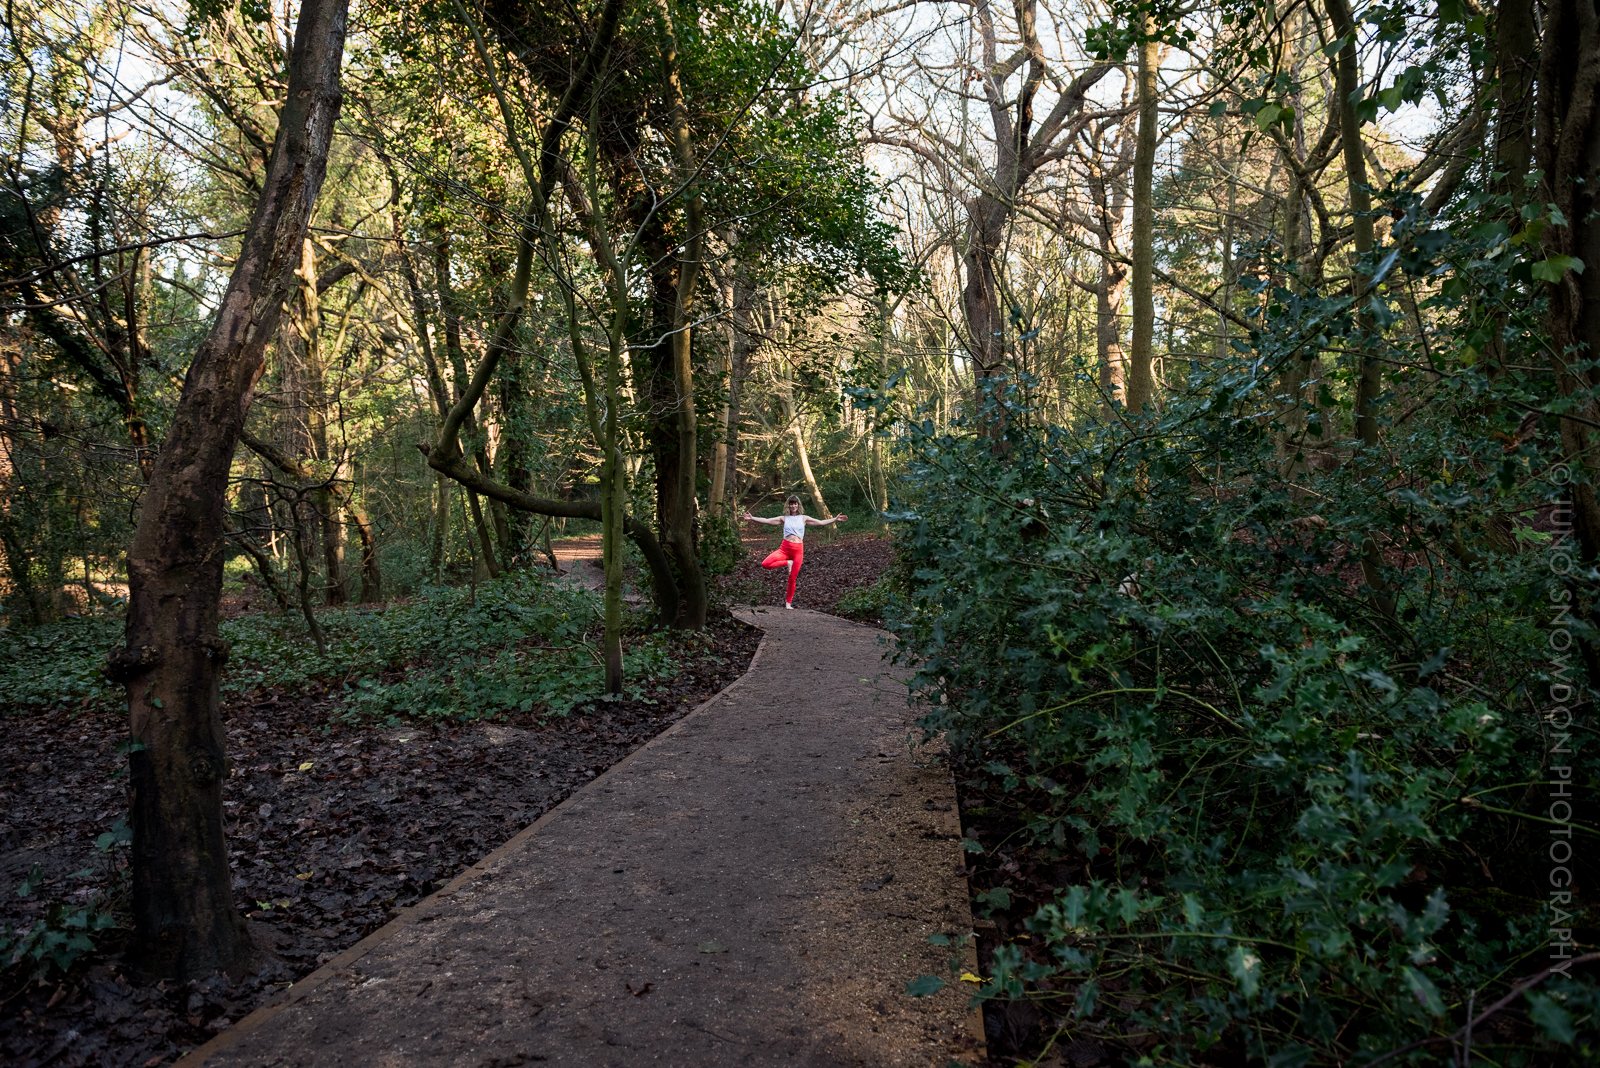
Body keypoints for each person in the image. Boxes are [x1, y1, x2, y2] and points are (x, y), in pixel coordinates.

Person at [743, 495, 847, 609]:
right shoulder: (784, 518)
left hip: (798, 551)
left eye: (795, 503)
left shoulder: (804, 518)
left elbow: (821, 522)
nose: (793, 506)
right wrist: (752, 518)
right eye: (791, 504)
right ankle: (788, 563)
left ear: (798, 505)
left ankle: (788, 603)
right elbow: (767, 520)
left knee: (792, 578)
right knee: (765, 564)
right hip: (784, 548)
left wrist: (835, 519)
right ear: (788, 505)